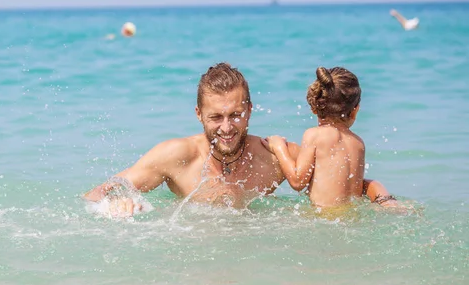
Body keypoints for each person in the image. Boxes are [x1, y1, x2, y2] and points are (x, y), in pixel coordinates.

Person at [84, 63, 397, 217]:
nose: (226, 128)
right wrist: (114, 204)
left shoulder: (273, 156)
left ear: (249, 110)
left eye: (235, 115)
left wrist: (384, 199)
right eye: (215, 118)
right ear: (198, 114)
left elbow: (347, 179)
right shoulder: (176, 155)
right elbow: (96, 193)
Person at [267, 66, 392, 208]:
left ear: (314, 107)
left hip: (324, 220)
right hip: (352, 221)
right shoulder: (358, 143)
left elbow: (297, 181)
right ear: (355, 110)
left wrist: (279, 147)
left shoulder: (314, 135)